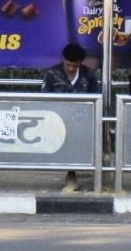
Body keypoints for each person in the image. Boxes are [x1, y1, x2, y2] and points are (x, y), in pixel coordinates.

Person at [42, 43, 100, 192]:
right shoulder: (52, 74)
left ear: (81, 63)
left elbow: (97, 97)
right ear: (63, 60)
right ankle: (70, 174)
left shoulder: (88, 74)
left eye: (75, 66)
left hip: (82, 120)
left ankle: (73, 174)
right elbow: (44, 98)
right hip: (58, 119)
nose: (71, 68)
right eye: (68, 65)